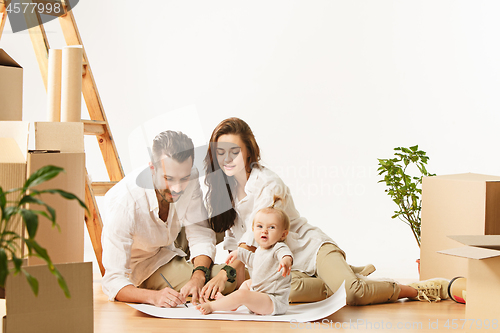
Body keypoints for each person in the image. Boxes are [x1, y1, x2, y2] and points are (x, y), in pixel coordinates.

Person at [200, 117, 450, 305]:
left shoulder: (267, 183)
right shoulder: (225, 193)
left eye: (235, 151)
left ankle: (413, 290)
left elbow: (255, 236)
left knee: (352, 293)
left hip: (310, 250)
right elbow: (235, 248)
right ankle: (344, 275)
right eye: (220, 152)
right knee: (271, 291)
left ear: (248, 153)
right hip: (287, 267)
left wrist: (225, 274)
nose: (227, 159)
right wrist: (232, 284)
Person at [101, 130, 242, 307]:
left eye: (183, 178)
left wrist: (198, 275)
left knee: (222, 222)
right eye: (168, 179)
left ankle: (257, 256)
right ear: (152, 168)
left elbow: (199, 231)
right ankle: (257, 273)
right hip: (147, 263)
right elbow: (112, 280)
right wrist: (153, 297)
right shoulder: (125, 202)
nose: (177, 188)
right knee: (225, 281)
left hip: (170, 238)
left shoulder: (188, 176)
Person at [197, 196, 293, 315]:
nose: (264, 231)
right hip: (259, 294)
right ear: (253, 229)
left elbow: (285, 254)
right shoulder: (260, 250)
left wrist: (286, 260)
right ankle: (231, 303)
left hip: (273, 301)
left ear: (283, 234)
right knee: (246, 284)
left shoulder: (278, 247)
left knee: (242, 294)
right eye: (260, 226)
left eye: (271, 227)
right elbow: (254, 261)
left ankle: (212, 306)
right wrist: (239, 253)